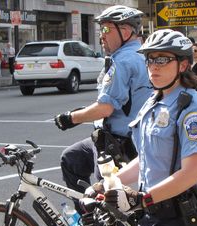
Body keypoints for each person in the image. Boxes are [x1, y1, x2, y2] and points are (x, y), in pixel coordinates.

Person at [91, 29, 197, 226]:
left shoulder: (194, 109)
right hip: (154, 213)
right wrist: (106, 184)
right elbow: (148, 159)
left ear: (183, 65)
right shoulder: (153, 102)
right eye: (150, 59)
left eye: (163, 59)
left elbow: (192, 173)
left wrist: (142, 199)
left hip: (183, 219)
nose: (154, 66)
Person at [54, 5, 152, 212]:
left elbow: (105, 108)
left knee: (107, 196)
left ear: (125, 32)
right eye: (101, 31)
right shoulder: (140, 55)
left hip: (119, 145)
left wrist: (70, 118)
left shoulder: (123, 60)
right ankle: (88, 218)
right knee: (72, 158)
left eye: (106, 30)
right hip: (117, 138)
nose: (102, 36)